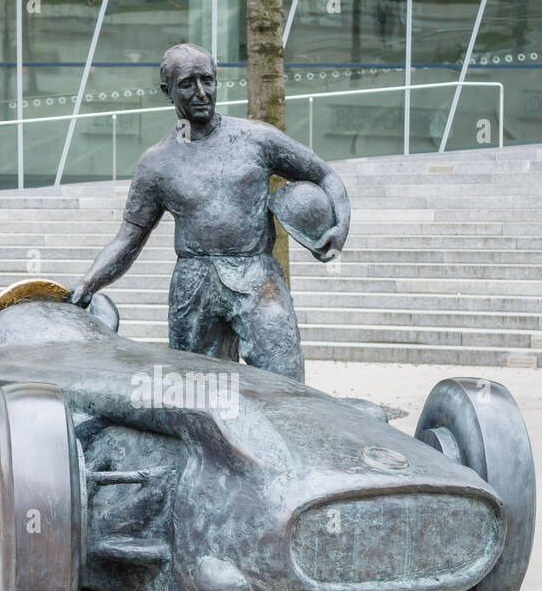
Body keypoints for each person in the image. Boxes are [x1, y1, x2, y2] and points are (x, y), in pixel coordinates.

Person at [68, 43, 350, 382]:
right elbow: (128, 239)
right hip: (193, 284)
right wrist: (88, 284)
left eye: (208, 80)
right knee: (195, 395)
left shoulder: (256, 139)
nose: (201, 92)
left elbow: (324, 174)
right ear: (167, 91)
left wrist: (339, 226)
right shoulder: (156, 163)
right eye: (187, 83)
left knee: (285, 380)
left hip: (256, 275)